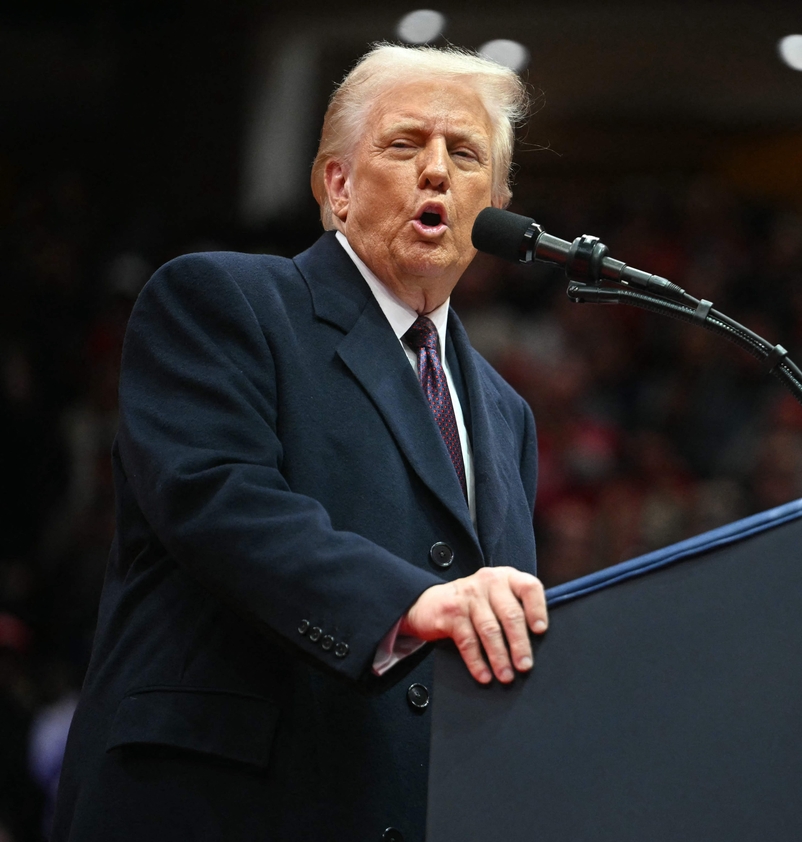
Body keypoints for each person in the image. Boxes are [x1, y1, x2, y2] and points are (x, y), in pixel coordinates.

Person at [53, 44, 545, 842]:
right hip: (219, 805)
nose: (436, 173)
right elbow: (218, 499)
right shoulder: (222, 301)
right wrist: (407, 602)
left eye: (464, 155)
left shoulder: (505, 409)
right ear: (337, 185)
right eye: (403, 144)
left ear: (496, 201)